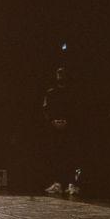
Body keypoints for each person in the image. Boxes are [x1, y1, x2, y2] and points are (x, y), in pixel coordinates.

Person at [42, 67, 79, 195]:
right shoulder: (51, 93)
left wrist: (68, 121)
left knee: (70, 154)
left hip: (70, 129)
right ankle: (57, 183)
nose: (60, 76)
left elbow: (77, 109)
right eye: (58, 74)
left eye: (63, 74)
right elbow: (46, 109)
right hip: (54, 128)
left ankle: (71, 183)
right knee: (55, 154)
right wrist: (53, 121)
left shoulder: (73, 92)